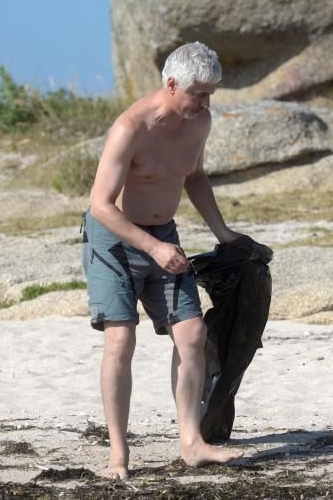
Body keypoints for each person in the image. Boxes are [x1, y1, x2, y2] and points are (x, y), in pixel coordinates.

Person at [82, 42, 243, 479]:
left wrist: (223, 234)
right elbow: (100, 204)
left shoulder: (200, 121)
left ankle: (191, 443)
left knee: (192, 336)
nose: (207, 103)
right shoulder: (130, 127)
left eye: (212, 93)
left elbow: (194, 176)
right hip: (114, 239)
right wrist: (152, 248)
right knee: (121, 340)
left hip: (164, 235)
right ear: (171, 84)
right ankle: (119, 454)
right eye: (200, 93)